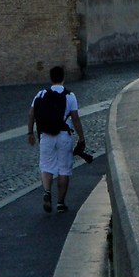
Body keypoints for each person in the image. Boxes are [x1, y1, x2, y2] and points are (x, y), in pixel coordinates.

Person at [27, 67, 84, 214]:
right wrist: (81, 138)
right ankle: (60, 203)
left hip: (46, 136)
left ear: (51, 78)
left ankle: (47, 192)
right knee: (64, 169)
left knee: (46, 166)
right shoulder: (69, 95)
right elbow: (76, 119)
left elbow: (31, 113)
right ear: (63, 77)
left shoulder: (41, 93)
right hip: (64, 135)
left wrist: (30, 133)